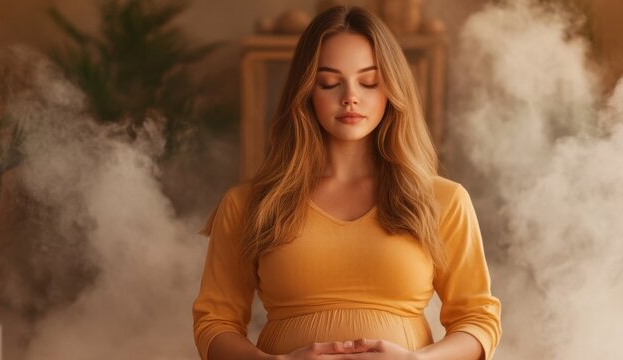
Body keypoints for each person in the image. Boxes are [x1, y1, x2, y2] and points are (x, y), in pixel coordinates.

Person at [192, 6, 500, 360]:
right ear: (306, 91)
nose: (350, 96)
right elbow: (214, 323)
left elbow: (478, 319)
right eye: (329, 82)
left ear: (392, 90)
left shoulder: (444, 199)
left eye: (369, 82)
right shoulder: (248, 204)